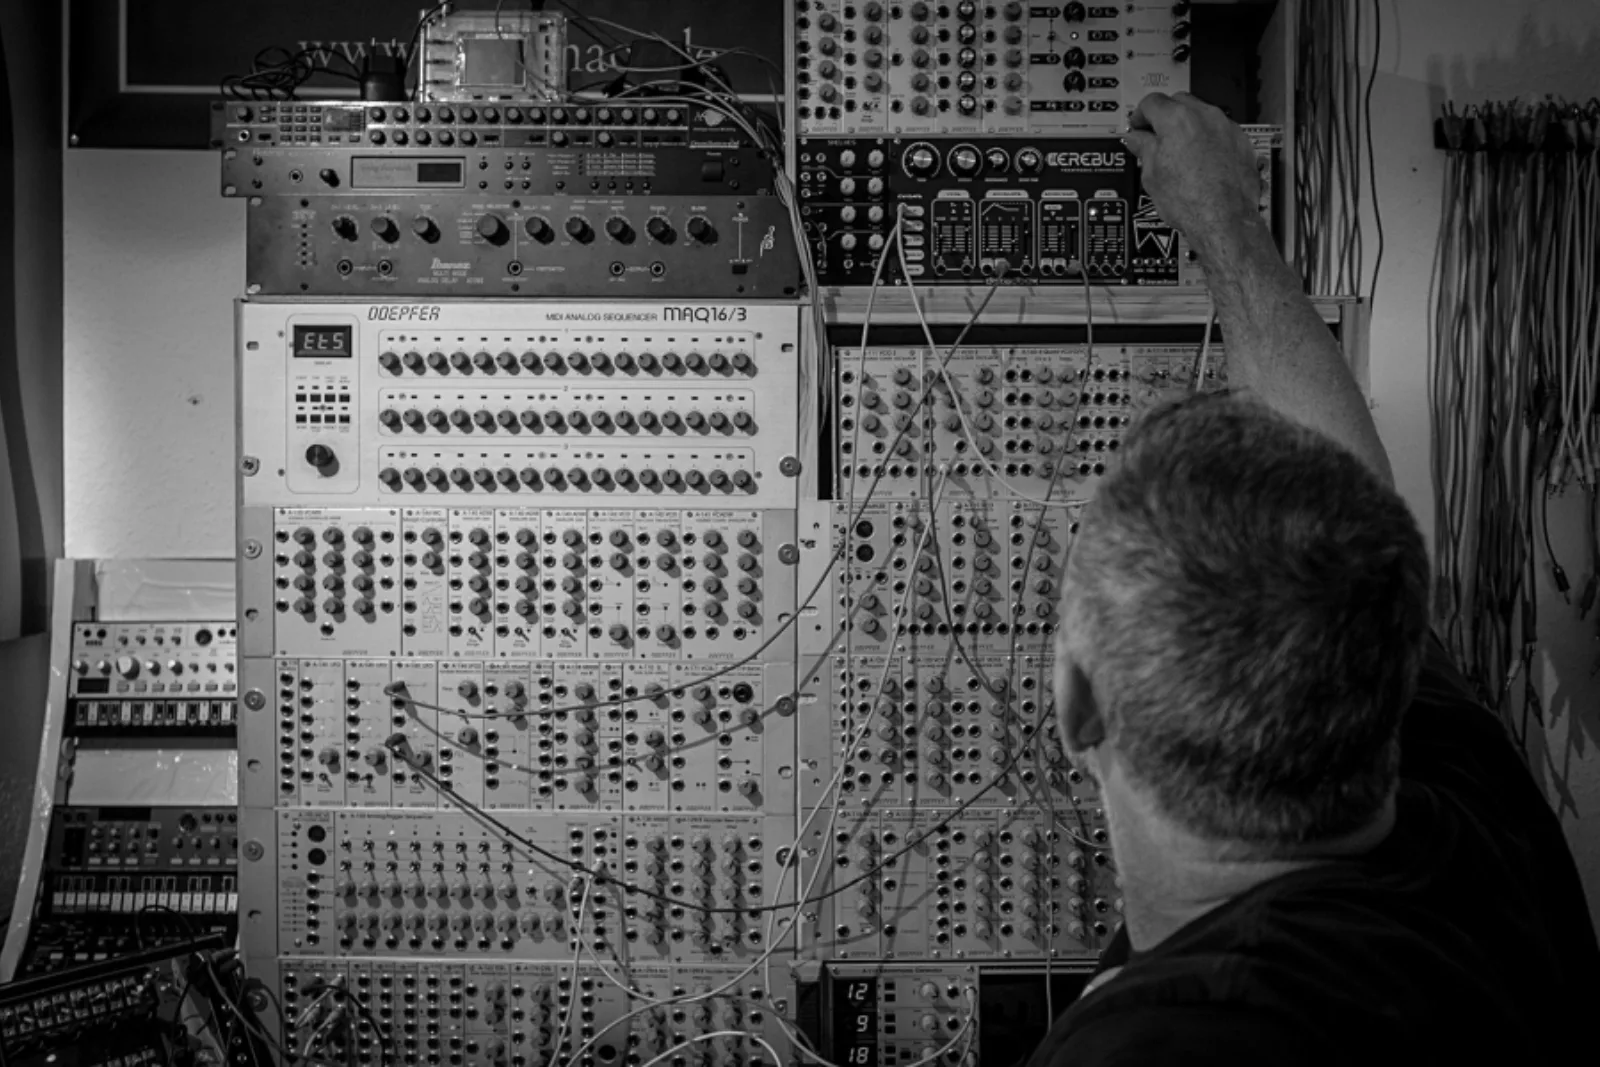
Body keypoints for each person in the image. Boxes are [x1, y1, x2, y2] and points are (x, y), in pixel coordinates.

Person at [1027, 92, 1600, 1065]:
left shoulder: (1174, 1041)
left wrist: (1225, 219)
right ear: (1383, 660)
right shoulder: (1466, 801)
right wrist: (1227, 222)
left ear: (1079, 704)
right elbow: (1347, 495)